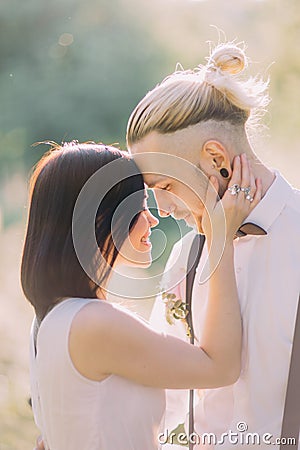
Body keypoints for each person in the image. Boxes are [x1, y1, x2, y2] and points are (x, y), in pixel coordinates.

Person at [22, 142, 260, 450]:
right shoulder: (93, 324)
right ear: (97, 219)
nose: (153, 219)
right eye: (139, 207)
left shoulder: (49, 322)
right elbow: (220, 367)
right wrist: (221, 238)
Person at [127, 42, 300, 448]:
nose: (162, 209)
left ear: (215, 157)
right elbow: (160, 399)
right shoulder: (185, 258)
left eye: (164, 185)